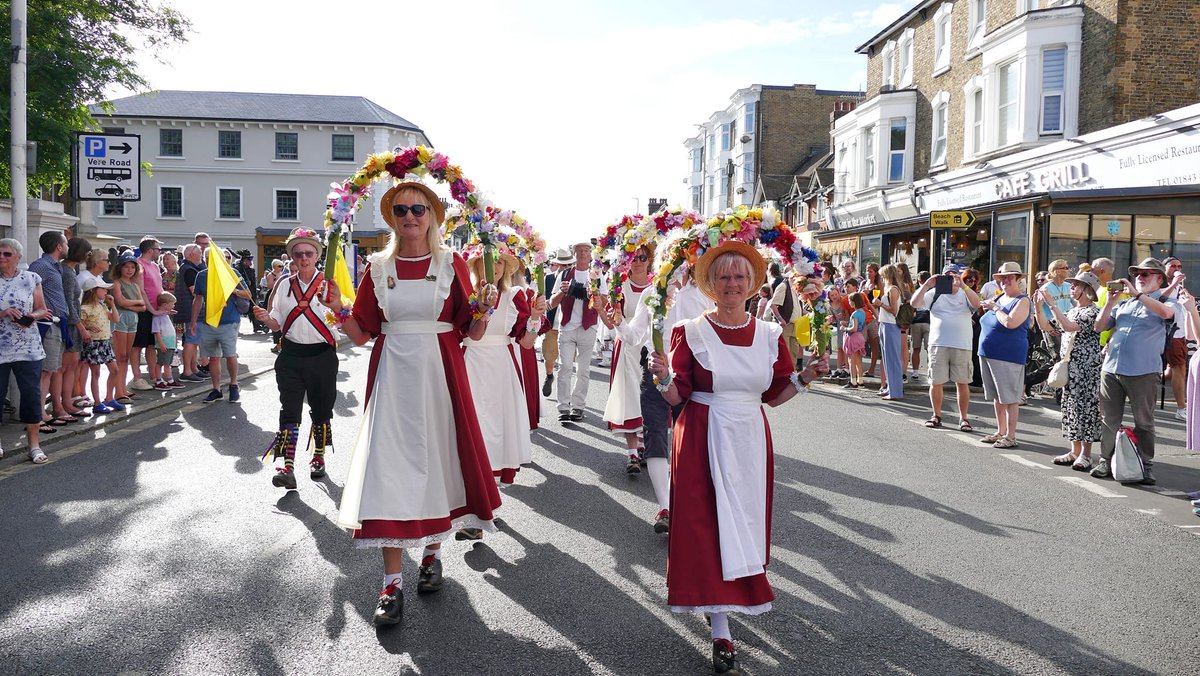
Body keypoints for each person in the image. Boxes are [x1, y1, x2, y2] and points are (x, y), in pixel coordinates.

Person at [647, 240, 827, 675]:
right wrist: (662, 378)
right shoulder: (688, 330)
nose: (732, 284)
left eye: (740, 277)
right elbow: (677, 395)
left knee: (741, 523)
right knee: (707, 525)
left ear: (751, 285)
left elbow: (774, 395)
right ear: (711, 283)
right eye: (724, 277)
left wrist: (804, 378)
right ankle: (722, 628)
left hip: (749, 435)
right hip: (701, 433)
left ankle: (726, 606)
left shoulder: (768, 335)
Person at [337, 181, 501, 626]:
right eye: (402, 209)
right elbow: (362, 333)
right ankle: (391, 586)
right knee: (387, 469)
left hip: (440, 375)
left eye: (419, 209)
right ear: (392, 218)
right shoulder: (375, 267)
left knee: (441, 461)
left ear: (432, 216)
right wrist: (338, 310)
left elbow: (474, 330)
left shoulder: (453, 264)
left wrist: (485, 309)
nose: (410, 216)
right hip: (392, 375)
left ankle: (431, 555)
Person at [253, 227, 344, 490]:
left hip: (322, 356)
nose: (303, 258)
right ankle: (287, 466)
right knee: (289, 411)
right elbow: (276, 323)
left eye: (309, 253)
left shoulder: (330, 284)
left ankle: (318, 458)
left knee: (322, 410)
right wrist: (265, 318)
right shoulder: (283, 284)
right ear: (292, 257)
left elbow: (343, 318)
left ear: (317, 256)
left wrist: (337, 307)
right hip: (291, 355)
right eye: (298, 254)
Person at [462, 249, 542, 492]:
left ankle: (490, 495)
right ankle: (475, 493)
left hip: (501, 368)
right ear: (475, 266)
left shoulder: (514, 296)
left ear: (505, 268)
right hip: (470, 362)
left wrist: (535, 318)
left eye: (498, 262)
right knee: (472, 425)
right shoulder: (464, 294)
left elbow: (526, 343)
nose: (493, 266)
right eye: (486, 261)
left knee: (498, 426)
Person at [1091, 258, 1175, 485]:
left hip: (1143, 371)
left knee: (1144, 422)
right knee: (1109, 419)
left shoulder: (1165, 300)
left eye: (1146, 274)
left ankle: (1145, 465)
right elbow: (1099, 326)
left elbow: (1167, 314)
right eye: (1137, 273)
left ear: (1159, 278)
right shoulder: (1124, 304)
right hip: (1112, 369)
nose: (1139, 277)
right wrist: (1110, 302)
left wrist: (1137, 295)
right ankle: (1105, 460)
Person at [599, 244, 654, 473]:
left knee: (650, 399)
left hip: (652, 344)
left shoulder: (658, 285)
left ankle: (643, 445)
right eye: (634, 257)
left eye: (642, 257)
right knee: (629, 396)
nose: (638, 261)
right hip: (627, 346)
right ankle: (632, 452)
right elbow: (612, 322)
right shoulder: (619, 286)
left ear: (650, 259)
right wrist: (601, 310)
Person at [1040, 272, 1103, 471]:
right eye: (1072, 285)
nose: (1072, 288)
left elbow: (1068, 327)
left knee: (1086, 408)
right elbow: (1048, 326)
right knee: (1071, 408)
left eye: (1076, 285)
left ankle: (1086, 453)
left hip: (1087, 368)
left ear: (1087, 290)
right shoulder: (1073, 310)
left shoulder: (1092, 311)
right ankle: (1074, 450)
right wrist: (1037, 306)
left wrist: (1051, 304)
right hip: (1072, 366)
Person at [0, 238, 51, 463]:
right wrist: (3, 313)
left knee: (31, 397)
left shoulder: (31, 278)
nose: (2, 257)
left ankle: (34, 445)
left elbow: (43, 310)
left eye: (7, 254)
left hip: (28, 349)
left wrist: (31, 317)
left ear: (18, 257)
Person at [912, 264, 981, 431]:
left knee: (962, 383)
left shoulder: (965, 293)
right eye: (947, 275)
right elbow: (914, 303)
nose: (951, 278)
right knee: (936, 382)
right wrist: (927, 284)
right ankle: (936, 415)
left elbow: (977, 304)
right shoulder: (934, 293)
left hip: (962, 344)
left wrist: (963, 285)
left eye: (954, 274)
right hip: (938, 343)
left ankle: (964, 418)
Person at [977, 262, 1032, 448]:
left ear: (1018, 279)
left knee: (1009, 397)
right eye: (1001, 278)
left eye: (1009, 277)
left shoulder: (1023, 300)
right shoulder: (999, 298)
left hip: (1008, 355)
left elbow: (1011, 323)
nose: (1004, 281)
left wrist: (994, 308)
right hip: (989, 353)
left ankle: (1011, 435)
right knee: (996, 396)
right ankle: (1000, 431)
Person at [27, 231, 77, 428]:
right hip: (47, 326)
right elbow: (28, 289)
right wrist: (39, 311)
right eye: (65, 244)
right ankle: (37, 415)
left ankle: (42, 413)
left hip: (57, 324)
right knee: (45, 371)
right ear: (58, 246)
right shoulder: (41, 266)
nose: (67, 247)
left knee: (50, 370)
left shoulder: (54, 266)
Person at [190, 250, 253, 404]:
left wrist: (234, 290)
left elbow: (248, 294)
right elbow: (198, 299)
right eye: (207, 259)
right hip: (209, 322)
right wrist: (193, 321)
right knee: (213, 358)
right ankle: (216, 389)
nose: (211, 261)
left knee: (230, 355)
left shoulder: (232, 273)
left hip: (229, 321)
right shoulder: (202, 275)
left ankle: (233, 385)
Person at [549, 242, 598, 422]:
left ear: (591, 254)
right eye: (580, 251)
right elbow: (552, 303)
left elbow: (606, 300)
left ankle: (578, 406)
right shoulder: (563, 274)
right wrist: (563, 291)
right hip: (568, 326)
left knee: (583, 370)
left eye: (586, 251)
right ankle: (563, 407)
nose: (583, 254)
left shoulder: (598, 275)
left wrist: (595, 294)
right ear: (574, 254)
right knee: (565, 367)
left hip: (589, 327)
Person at [60, 237, 94, 418]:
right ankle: (64, 404)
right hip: (71, 326)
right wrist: (81, 327)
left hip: (74, 324)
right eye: (88, 253)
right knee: (67, 367)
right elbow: (68, 303)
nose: (89, 256)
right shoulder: (66, 272)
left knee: (71, 366)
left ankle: (68, 401)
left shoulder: (70, 271)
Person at [79, 277, 123, 414]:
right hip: (93, 343)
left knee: (115, 370)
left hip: (105, 341)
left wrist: (112, 304)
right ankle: (97, 402)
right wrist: (88, 326)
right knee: (96, 373)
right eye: (103, 289)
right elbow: (80, 325)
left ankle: (109, 397)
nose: (105, 291)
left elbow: (115, 319)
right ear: (93, 290)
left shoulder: (102, 306)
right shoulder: (85, 308)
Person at [129, 236, 164, 392]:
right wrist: (152, 309)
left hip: (156, 310)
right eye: (158, 249)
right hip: (144, 310)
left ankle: (154, 376)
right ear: (150, 250)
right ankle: (137, 378)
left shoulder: (155, 266)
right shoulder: (139, 265)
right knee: (137, 345)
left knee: (151, 344)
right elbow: (141, 291)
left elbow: (159, 288)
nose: (159, 251)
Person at [110, 252, 146, 404]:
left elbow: (143, 306)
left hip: (133, 319)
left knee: (127, 356)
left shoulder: (135, 286)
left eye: (132, 267)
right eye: (126, 267)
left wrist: (131, 302)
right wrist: (135, 303)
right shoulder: (117, 283)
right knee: (120, 355)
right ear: (120, 268)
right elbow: (120, 302)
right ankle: (117, 391)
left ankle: (123, 388)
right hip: (121, 319)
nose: (129, 270)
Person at [540, 248, 573, 396]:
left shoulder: (577, 278)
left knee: (567, 363)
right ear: (557, 265)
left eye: (568, 265)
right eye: (562, 265)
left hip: (570, 326)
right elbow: (545, 300)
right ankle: (549, 376)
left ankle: (564, 392)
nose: (565, 268)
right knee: (549, 355)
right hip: (552, 324)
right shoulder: (548, 278)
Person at [1161, 257, 1188, 421]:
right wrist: (1173, 283)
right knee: (1180, 368)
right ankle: (1181, 408)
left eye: (1179, 266)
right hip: (1168, 332)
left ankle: (1146, 379)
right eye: (1172, 266)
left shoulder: (1179, 287)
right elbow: (1157, 299)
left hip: (1180, 332)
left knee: (1173, 370)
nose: (1176, 269)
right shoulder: (1159, 283)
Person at [174, 244, 205, 382]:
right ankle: (187, 371)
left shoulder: (187, 268)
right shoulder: (190, 270)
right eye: (199, 253)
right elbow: (195, 292)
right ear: (192, 255)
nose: (201, 256)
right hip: (191, 312)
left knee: (193, 341)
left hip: (190, 311)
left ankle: (194, 368)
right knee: (191, 341)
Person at [874, 264, 904, 400]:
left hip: (891, 325)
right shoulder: (889, 289)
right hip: (885, 324)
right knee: (887, 359)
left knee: (892, 359)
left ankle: (895, 391)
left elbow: (894, 310)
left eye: (882, 275)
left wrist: (880, 304)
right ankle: (891, 388)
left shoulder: (893, 289)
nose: (881, 278)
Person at [769, 262, 801, 365]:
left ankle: (792, 377)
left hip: (795, 325)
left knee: (794, 353)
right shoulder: (783, 286)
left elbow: (796, 306)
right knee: (785, 354)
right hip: (786, 325)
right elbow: (773, 305)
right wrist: (780, 319)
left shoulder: (796, 288)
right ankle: (785, 378)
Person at [150, 292, 182, 390]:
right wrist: (161, 343)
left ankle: (169, 380)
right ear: (164, 305)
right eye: (172, 304)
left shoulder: (165, 315)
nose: (174, 306)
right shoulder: (157, 317)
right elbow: (157, 332)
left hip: (169, 344)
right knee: (161, 363)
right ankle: (159, 380)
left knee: (168, 363)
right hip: (164, 344)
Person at [908, 270, 932, 383]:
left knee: (916, 348)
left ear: (919, 281)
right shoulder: (933, 292)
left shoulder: (917, 292)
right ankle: (930, 371)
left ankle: (915, 372)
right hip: (928, 321)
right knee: (930, 349)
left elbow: (912, 307)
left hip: (916, 321)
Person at [841, 293, 868, 388]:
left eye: (849, 301)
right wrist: (848, 324)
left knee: (851, 361)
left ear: (854, 302)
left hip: (853, 337)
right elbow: (860, 325)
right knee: (858, 360)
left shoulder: (854, 313)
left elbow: (854, 328)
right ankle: (860, 380)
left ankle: (853, 381)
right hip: (860, 336)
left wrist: (845, 328)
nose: (849, 302)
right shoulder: (863, 312)